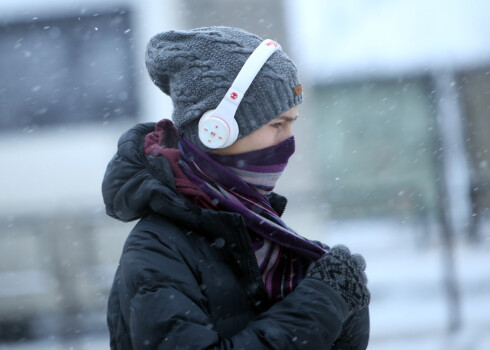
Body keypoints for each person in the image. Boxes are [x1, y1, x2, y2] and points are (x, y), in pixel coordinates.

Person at [102, 26, 370, 350]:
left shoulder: (265, 236)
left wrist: (342, 301)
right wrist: (323, 302)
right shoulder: (157, 251)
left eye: (292, 123)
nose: (289, 142)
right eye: (276, 124)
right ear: (216, 129)